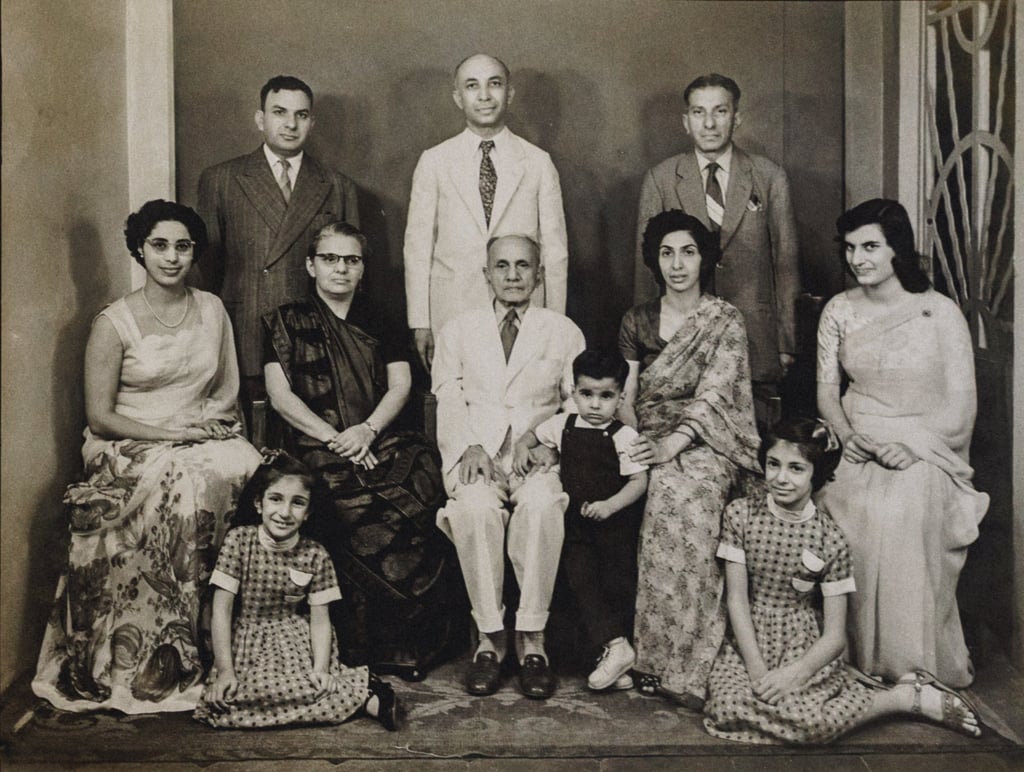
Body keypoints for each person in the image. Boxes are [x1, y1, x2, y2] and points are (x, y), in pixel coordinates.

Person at [32, 200, 262, 714]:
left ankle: (228, 639)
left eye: (183, 246)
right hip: (127, 439)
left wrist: (212, 428)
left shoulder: (212, 309)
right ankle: (158, 653)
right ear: (139, 249)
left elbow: (225, 391)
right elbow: (99, 417)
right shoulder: (114, 323)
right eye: (159, 245)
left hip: (199, 428)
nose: (172, 257)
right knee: (184, 481)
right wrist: (170, 435)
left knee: (240, 465)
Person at [704, 417, 982, 743]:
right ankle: (878, 699)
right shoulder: (741, 515)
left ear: (817, 475)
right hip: (746, 641)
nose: (780, 478)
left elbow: (835, 637)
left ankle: (898, 699)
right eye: (773, 464)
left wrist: (795, 674)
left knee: (811, 722)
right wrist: (757, 670)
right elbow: (736, 600)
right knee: (725, 707)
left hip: (802, 644)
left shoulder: (830, 538)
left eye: (796, 469)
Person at [262, 221, 458, 680]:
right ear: (311, 265)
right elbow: (280, 395)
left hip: (381, 435)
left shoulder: (383, 318)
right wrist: (337, 439)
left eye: (351, 260)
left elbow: (402, 385)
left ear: (362, 268)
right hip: (313, 442)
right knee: (346, 495)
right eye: (330, 258)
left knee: (415, 484)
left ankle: (407, 638)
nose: (341, 269)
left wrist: (366, 432)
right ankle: (361, 638)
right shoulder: (285, 319)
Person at [816, 199, 989, 688]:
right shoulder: (839, 311)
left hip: (930, 444)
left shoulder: (940, 312)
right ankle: (851, 659)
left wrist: (914, 448)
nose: (858, 259)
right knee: (847, 510)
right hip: (858, 435)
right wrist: (849, 437)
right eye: (850, 248)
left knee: (901, 511)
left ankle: (910, 664)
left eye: (871, 246)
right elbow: (828, 391)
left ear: (898, 249)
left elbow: (962, 407)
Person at [620, 210, 762, 711]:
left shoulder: (723, 319)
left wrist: (671, 446)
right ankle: (655, 660)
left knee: (690, 495)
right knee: (657, 485)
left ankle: (693, 662)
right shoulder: (637, 319)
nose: (677, 264)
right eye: (666, 253)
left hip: (710, 441)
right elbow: (627, 393)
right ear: (654, 260)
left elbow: (715, 397)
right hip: (649, 433)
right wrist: (634, 440)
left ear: (704, 257)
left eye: (688, 251)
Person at [433, 234, 585, 699]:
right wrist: (469, 447)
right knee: (474, 511)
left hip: (534, 458)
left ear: (539, 275)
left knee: (542, 507)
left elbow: (577, 401)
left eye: (524, 266)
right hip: (475, 454)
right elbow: (446, 394)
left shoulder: (563, 330)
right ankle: (490, 638)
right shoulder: (458, 329)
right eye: (503, 266)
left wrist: (546, 442)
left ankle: (532, 640)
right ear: (486, 274)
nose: (513, 275)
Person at [635, 73, 800, 427]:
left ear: (736, 117)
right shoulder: (661, 179)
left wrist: (786, 341)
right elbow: (645, 270)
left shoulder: (769, 177)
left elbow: (785, 264)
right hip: (680, 341)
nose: (709, 123)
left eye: (720, 111)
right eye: (698, 112)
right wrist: (647, 345)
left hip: (754, 340)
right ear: (685, 121)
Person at [193, 450, 400, 730]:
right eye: (276, 499)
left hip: (294, 637)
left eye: (297, 503)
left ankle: (368, 696)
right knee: (229, 699)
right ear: (258, 503)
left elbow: (320, 619)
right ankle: (359, 694)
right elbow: (221, 610)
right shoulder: (239, 541)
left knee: (316, 685)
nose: (285, 512)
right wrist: (225, 671)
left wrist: (321, 669)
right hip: (248, 638)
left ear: (307, 514)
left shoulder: (315, 554)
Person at [197, 75, 360, 422]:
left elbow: (352, 272)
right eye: (279, 112)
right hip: (246, 329)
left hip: (317, 337)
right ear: (260, 119)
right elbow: (208, 270)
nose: (290, 124)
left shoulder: (338, 186)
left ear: (312, 123)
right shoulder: (221, 180)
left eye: (301, 115)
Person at [403, 53, 568, 371]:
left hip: (523, 308)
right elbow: (418, 248)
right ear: (457, 97)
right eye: (471, 86)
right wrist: (420, 321)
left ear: (510, 93)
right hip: (453, 308)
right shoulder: (435, 161)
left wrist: (554, 320)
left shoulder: (537, 162)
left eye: (494, 84)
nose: (484, 96)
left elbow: (555, 251)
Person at [514, 349, 648, 692]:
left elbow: (638, 482)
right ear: (573, 392)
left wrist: (611, 505)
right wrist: (522, 449)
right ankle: (612, 651)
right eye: (586, 394)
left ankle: (616, 651)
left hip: (612, 526)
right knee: (579, 584)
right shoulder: (563, 425)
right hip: (576, 525)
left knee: (613, 588)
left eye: (606, 396)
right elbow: (532, 436)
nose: (594, 405)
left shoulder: (624, 436)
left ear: (620, 397)